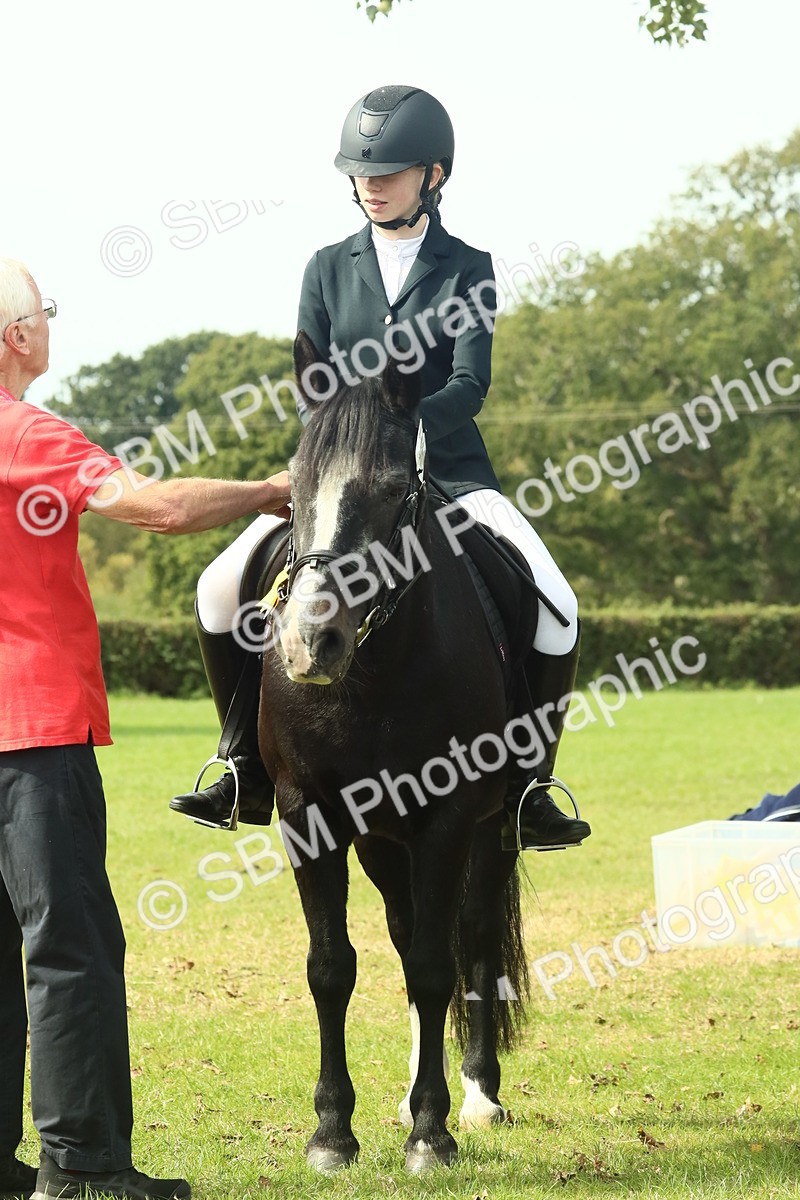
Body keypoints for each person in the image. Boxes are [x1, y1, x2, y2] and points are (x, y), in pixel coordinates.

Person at [171, 85, 590, 854]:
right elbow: (314, 384)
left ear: (434, 175)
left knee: (557, 604)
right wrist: (344, 453)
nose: (372, 182)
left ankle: (530, 783)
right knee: (217, 586)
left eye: (390, 171)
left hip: (454, 474)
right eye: (362, 171)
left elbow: (471, 381)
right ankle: (239, 765)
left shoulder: (469, 269)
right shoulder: (327, 268)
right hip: (340, 479)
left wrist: (408, 433)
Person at [0, 256, 291, 1200]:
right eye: (45, 311)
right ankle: (83, 1168)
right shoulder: (25, 433)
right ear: (17, 335)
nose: (50, 323)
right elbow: (156, 507)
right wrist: (263, 491)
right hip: (31, 732)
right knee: (70, 943)